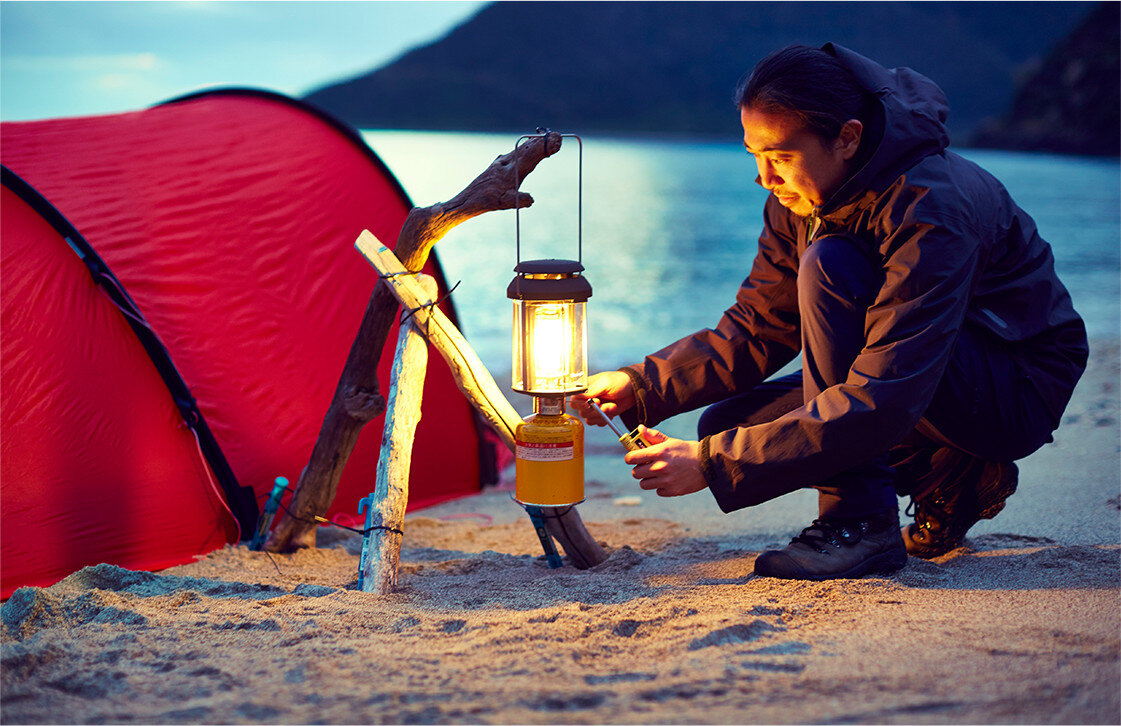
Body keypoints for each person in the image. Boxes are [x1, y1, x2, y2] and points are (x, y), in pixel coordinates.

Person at [570, 43, 1088, 581]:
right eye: (753, 155)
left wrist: (710, 465)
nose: (764, 179)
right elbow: (760, 326)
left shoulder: (932, 207)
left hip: (1013, 384)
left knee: (830, 263)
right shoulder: (802, 197)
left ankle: (860, 523)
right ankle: (949, 470)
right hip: (926, 372)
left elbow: (885, 394)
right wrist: (641, 385)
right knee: (727, 423)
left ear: (848, 137)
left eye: (779, 157)